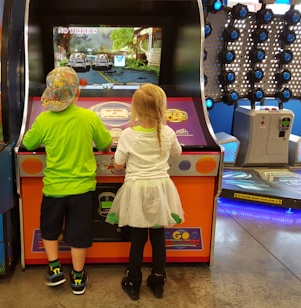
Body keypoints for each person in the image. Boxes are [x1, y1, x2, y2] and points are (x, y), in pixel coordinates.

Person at [22, 66, 113, 295]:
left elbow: (29, 144)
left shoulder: (43, 119)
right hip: (82, 190)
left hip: (54, 189)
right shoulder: (89, 117)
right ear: (77, 94)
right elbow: (105, 143)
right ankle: (78, 277)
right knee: (78, 235)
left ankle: (54, 269)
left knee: (50, 230)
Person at [105, 83, 184, 300]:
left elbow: (119, 164)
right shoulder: (168, 132)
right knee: (158, 238)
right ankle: (158, 281)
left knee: (138, 239)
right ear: (161, 108)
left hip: (137, 192)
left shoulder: (129, 135)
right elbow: (177, 153)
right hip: (160, 191)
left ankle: (133, 282)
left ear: (136, 109)